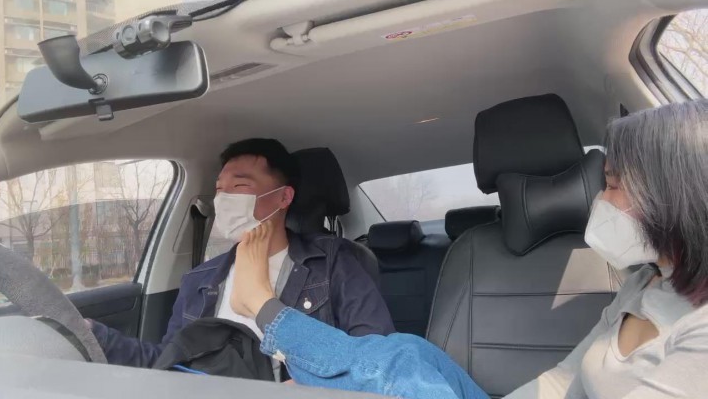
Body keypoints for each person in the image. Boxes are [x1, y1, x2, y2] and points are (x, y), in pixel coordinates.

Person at [230, 99, 708, 399]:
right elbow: (563, 380)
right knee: (408, 352)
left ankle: (266, 310)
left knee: (397, 371)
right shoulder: (644, 284)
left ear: (673, 197)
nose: (600, 199)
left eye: (614, 185)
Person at [88, 138, 394, 372]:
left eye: (240, 186)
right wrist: (95, 338)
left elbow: (375, 358)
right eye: (220, 189)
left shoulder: (334, 263)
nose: (224, 199)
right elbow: (171, 363)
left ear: (284, 197)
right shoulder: (199, 279)